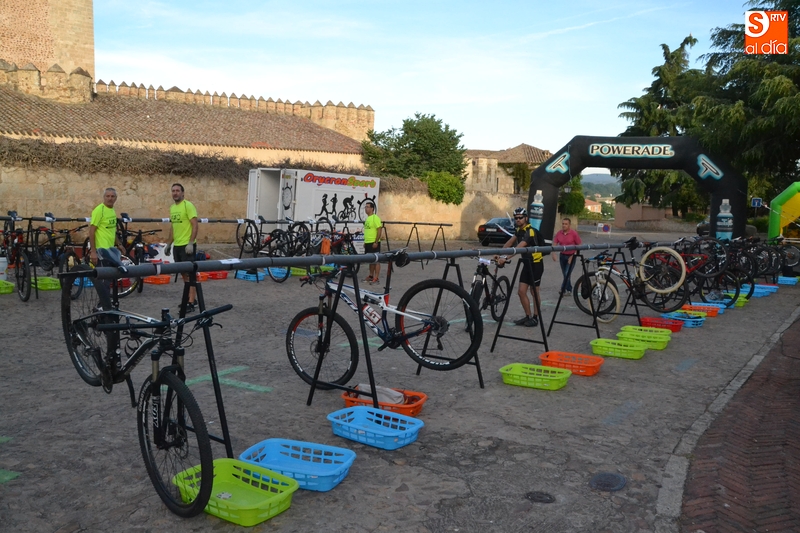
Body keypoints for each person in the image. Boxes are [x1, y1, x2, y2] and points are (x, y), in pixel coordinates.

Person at [496, 207, 544, 327]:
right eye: (516, 218)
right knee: (521, 292)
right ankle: (527, 316)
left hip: (536, 264)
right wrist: (498, 253)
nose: (518, 220)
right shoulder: (518, 231)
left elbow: (518, 248)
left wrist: (505, 258)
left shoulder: (530, 231)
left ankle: (535, 318)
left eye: (520, 218)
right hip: (526, 264)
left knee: (534, 292)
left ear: (526, 218)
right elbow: (509, 243)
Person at [88, 187, 126, 310]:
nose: (110, 198)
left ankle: (105, 305)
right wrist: (93, 251)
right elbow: (92, 231)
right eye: (107, 196)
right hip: (101, 250)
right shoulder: (99, 210)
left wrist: (119, 244)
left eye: (112, 196)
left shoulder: (112, 211)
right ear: (104, 197)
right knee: (104, 280)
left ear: (116, 198)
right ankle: (102, 306)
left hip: (110, 250)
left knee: (109, 278)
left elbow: (112, 231)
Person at [165, 183, 199, 311]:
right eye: (173, 191)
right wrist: (169, 243)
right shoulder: (172, 208)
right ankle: (190, 298)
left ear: (183, 193)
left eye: (177, 191)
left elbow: (195, 225)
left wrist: (190, 243)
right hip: (177, 245)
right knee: (183, 274)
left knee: (190, 274)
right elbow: (173, 227)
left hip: (187, 245)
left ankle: (191, 302)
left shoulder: (188, 206)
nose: (175, 193)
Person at [552, 217, 581, 295]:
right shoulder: (559, 233)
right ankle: (569, 289)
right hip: (562, 256)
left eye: (566, 224)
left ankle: (563, 289)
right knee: (565, 274)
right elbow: (555, 243)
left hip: (571, 256)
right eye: (563, 224)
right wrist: (553, 253)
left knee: (567, 273)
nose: (564, 225)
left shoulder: (574, 233)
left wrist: (573, 256)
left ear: (569, 225)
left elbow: (579, 245)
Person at [362, 201, 384, 284]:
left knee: (376, 260)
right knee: (371, 260)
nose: (366, 208)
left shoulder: (375, 218)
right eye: (365, 207)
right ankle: (371, 276)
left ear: (372, 208)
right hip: (368, 242)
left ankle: (376, 277)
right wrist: (365, 242)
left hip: (374, 242)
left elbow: (379, 230)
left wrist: (376, 242)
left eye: (367, 207)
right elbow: (368, 231)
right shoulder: (368, 218)